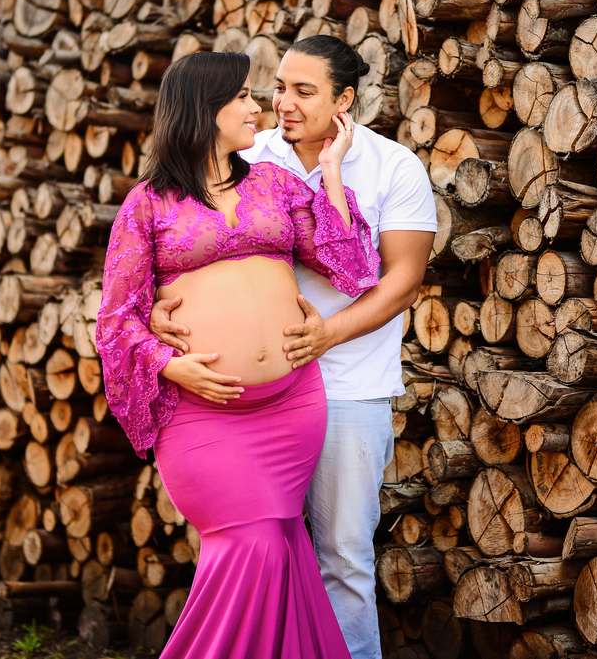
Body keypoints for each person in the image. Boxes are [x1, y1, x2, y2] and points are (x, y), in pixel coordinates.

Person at [152, 36, 437, 659]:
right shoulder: (251, 153)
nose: (281, 103)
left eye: (303, 92)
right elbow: (178, 238)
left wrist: (328, 334)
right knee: (254, 552)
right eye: (278, 86)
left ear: (345, 100)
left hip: (348, 385)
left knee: (340, 557)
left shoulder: (394, 167)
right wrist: (160, 302)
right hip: (246, 397)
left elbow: (397, 279)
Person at [95, 51, 380, 659]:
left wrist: (330, 173)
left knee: (282, 547)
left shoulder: (275, 185)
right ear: (204, 109)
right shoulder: (146, 204)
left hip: (292, 405)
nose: (260, 108)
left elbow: (351, 267)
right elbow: (116, 321)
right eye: (244, 97)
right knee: (250, 546)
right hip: (202, 414)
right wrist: (168, 363)